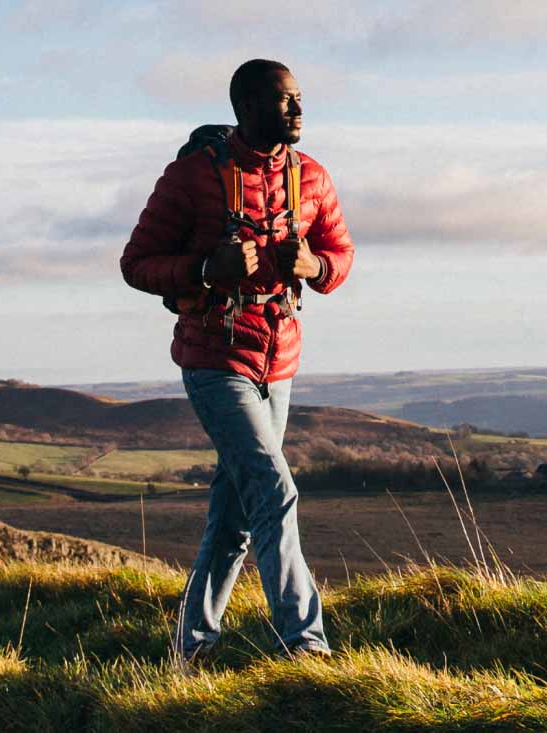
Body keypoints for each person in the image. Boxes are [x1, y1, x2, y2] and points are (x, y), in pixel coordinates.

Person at [120, 59, 354, 659]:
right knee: (274, 491)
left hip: (280, 360)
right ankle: (304, 644)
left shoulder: (314, 178)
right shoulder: (190, 178)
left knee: (235, 521)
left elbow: (339, 251)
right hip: (213, 356)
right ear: (247, 107)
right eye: (285, 101)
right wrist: (203, 269)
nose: (299, 110)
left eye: (301, 98)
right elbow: (137, 263)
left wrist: (317, 268)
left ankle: (192, 646)